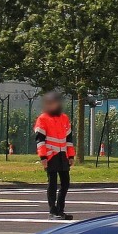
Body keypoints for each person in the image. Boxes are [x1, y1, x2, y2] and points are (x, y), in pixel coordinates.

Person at [34, 91, 75, 219]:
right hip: (51, 155)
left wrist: (71, 156)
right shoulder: (43, 118)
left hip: (63, 155)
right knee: (52, 184)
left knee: (65, 183)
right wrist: (43, 157)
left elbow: (69, 139)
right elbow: (40, 140)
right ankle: (53, 211)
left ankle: (60, 210)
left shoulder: (64, 118)